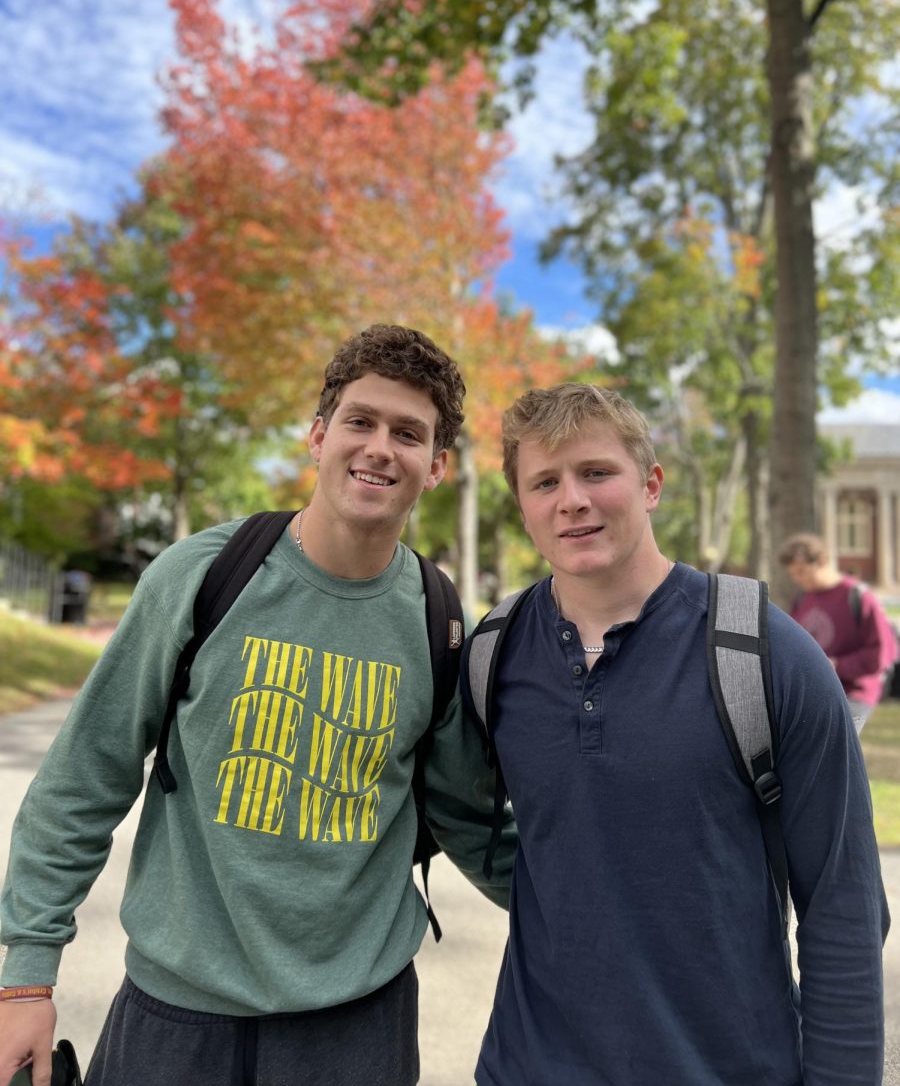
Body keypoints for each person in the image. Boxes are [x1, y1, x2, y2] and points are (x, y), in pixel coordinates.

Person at [0, 325, 515, 1086]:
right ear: (317, 436)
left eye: (408, 433)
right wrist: (26, 977)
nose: (380, 447)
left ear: (436, 466)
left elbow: (469, 822)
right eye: (360, 422)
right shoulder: (202, 576)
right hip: (174, 1019)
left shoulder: (440, 623)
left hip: (356, 1028)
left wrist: (602, 912)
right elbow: (85, 777)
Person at [461, 383, 889, 1086]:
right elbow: (461, 813)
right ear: (523, 507)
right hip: (525, 1066)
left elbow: (843, 902)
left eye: (596, 472)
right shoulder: (492, 657)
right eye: (545, 482)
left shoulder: (762, 652)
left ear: (651, 485)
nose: (572, 498)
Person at [779, 531, 898, 731]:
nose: (797, 579)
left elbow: (883, 654)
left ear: (822, 561)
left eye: (801, 571)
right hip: (815, 692)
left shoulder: (858, 597)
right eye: (793, 574)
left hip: (853, 694)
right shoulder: (802, 600)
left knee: (835, 749)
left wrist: (836, 665)